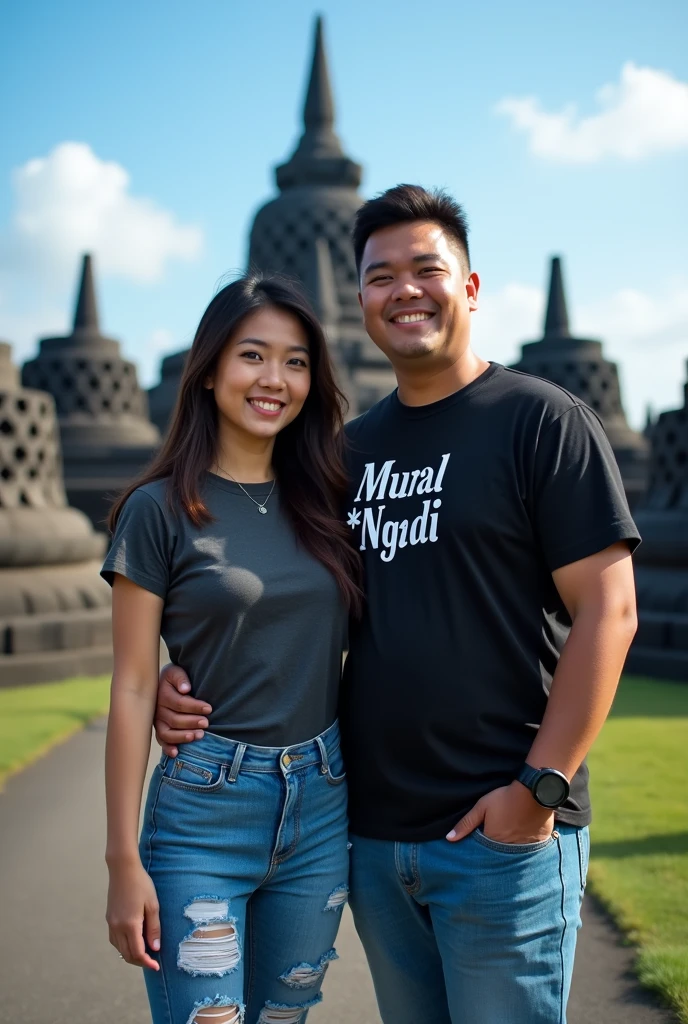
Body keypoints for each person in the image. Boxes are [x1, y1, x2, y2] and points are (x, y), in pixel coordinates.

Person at [155, 185, 640, 1024]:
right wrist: (183, 679)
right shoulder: (347, 454)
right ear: (360, 300)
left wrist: (540, 790)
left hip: (504, 834)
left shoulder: (540, 422)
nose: (404, 290)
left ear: (471, 288)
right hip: (373, 836)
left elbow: (611, 612)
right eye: (381, 276)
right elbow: (281, 597)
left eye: (427, 269)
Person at [102, 272, 362, 1024]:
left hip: (322, 804)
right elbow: (128, 686)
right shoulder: (157, 511)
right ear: (211, 368)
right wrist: (122, 861)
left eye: (296, 361)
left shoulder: (331, 501)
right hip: (204, 815)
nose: (274, 380)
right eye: (253, 355)